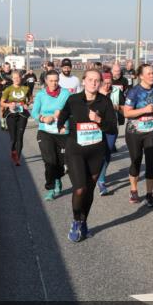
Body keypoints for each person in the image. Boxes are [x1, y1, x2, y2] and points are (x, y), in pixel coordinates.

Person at [56, 68, 118, 242]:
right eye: (90, 79)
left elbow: (113, 127)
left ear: (100, 83)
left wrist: (99, 121)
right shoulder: (74, 99)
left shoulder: (105, 102)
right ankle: (76, 221)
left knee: (89, 189)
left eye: (96, 80)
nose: (93, 83)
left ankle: (84, 221)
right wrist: (61, 124)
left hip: (97, 151)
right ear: (84, 81)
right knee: (80, 188)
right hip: (75, 149)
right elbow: (64, 114)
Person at [122, 64, 153, 207]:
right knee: (136, 161)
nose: (152, 75)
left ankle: (149, 194)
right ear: (141, 76)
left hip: (151, 130)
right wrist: (144, 109)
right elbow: (126, 113)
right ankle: (134, 190)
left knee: (151, 162)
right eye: (149, 73)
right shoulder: (134, 92)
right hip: (134, 132)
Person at [32, 70, 71, 200]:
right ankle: (50, 188)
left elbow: (72, 109)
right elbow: (34, 113)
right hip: (45, 132)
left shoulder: (66, 93)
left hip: (62, 132)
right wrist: (43, 119)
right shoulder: (41, 95)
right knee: (50, 161)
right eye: (51, 81)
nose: (54, 83)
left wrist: (63, 113)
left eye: (56, 80)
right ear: (46, 81)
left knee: (61, 163)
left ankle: (57, 178)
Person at [0, 71, 32, 165]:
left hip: (22, 115)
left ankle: (17, 157)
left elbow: (30, 99)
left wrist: (27, 104)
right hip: (11, 115)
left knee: (20, 137)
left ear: (21, 78)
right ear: (12, 79)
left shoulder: (26, 88)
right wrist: (9, 104)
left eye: (18, 77)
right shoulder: (8, 89)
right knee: (13, 138)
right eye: (14, 78)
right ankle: (13, 151)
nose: (16, 79)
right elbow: (2, 103)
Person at [96, 70, 118, 196]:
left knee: (107, 152)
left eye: (110, 83)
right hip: (95, 128)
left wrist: (117, 107)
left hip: (111, 127)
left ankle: (101, 179)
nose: (107, 85)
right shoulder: (94, 93)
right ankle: (97, 177)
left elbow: (124, 108)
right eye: (105, 83)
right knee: (97, 153)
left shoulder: (116, 92)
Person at [0, 62, 15, 130]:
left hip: (11, 94)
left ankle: (8, 123)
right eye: (6, 67)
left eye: (8, 67)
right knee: (3, 109)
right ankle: (3, 121)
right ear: (3, 68)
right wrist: (1, 82)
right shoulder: (0, 74)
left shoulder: (13, 73)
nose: (7, 69)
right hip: (2, 93)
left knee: (10, 108)